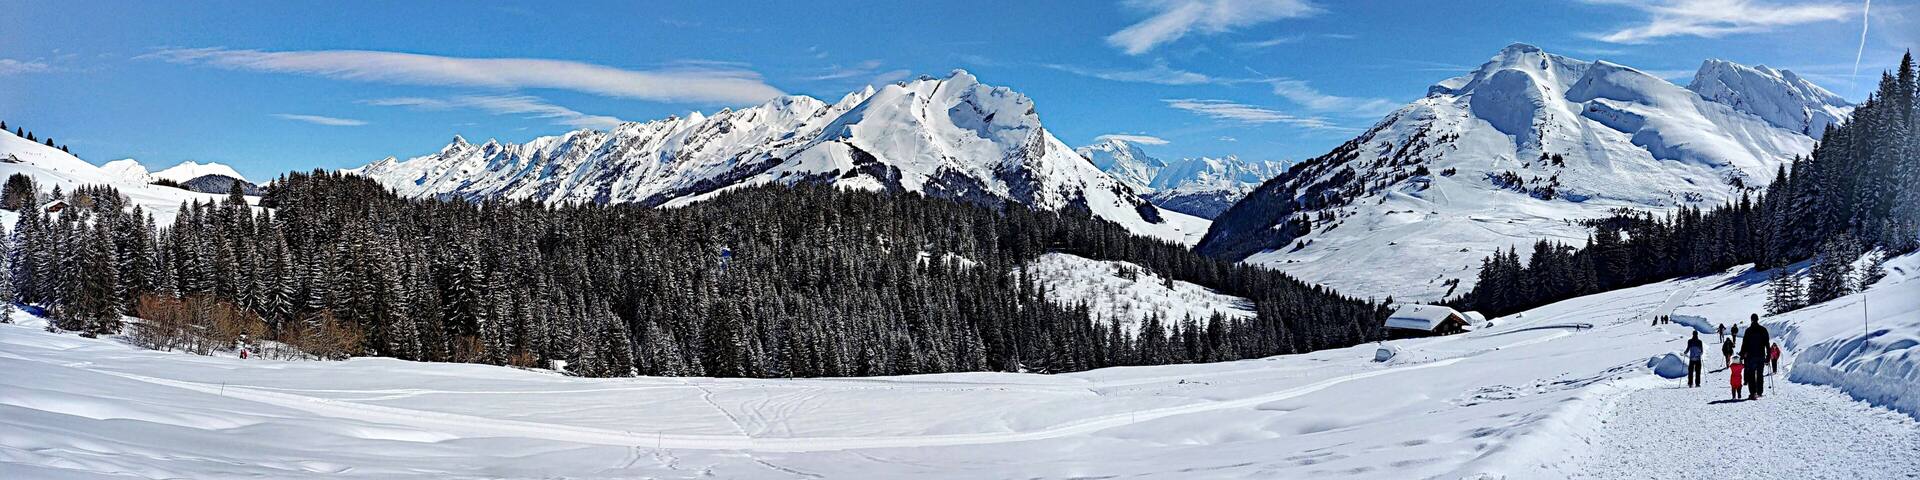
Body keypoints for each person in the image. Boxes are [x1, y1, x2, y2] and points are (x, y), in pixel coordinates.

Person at [1741, 314, 1771, 399]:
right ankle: (1760, 392)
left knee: (1751, 375)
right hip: (1761, 355)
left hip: (1751, 356)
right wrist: (1768, 356)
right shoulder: (1763, 330)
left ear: (1751, 320)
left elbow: (1744, 344)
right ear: (1758, 319)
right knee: (1760, 374)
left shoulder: (1748, 330)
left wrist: (1743, 355)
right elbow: (1767, 344)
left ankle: (1753, 393)